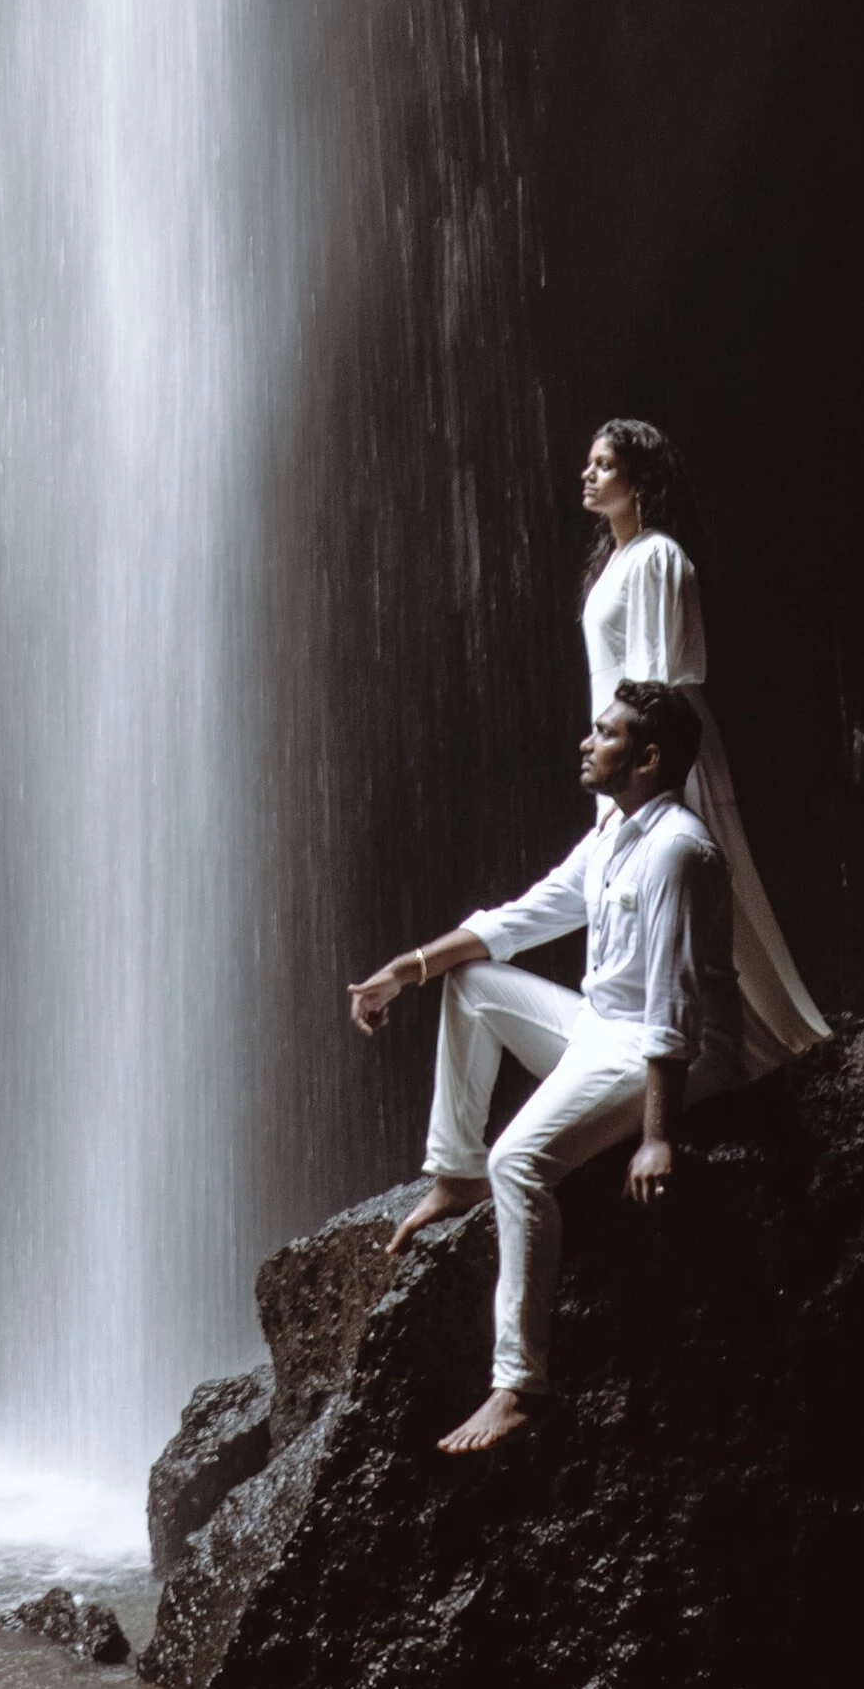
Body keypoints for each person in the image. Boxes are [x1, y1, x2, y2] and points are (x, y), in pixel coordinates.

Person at [347, 679, 740, 1448]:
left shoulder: (677, 852)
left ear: (648, 757)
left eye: (605, 734)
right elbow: (521, 918)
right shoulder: (613, 834)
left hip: (666, 1053)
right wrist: (406, 968)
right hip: (599, 1026)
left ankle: (518, 1387)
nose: (586, 744)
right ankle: (452, 1172)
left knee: (520, 1162)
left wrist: (657, 1135)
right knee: (470, 985)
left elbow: (674, 1002)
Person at [576, 417, 826, 1071]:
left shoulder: (656, 556)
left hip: (658, 750)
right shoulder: (617, 562)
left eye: (603, 465)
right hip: (628, 751)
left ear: (639, 483)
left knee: (690, 890)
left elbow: (652, 681)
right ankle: (677, 1045)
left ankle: (733, 1046)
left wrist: (642, 772)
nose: (587, 474)